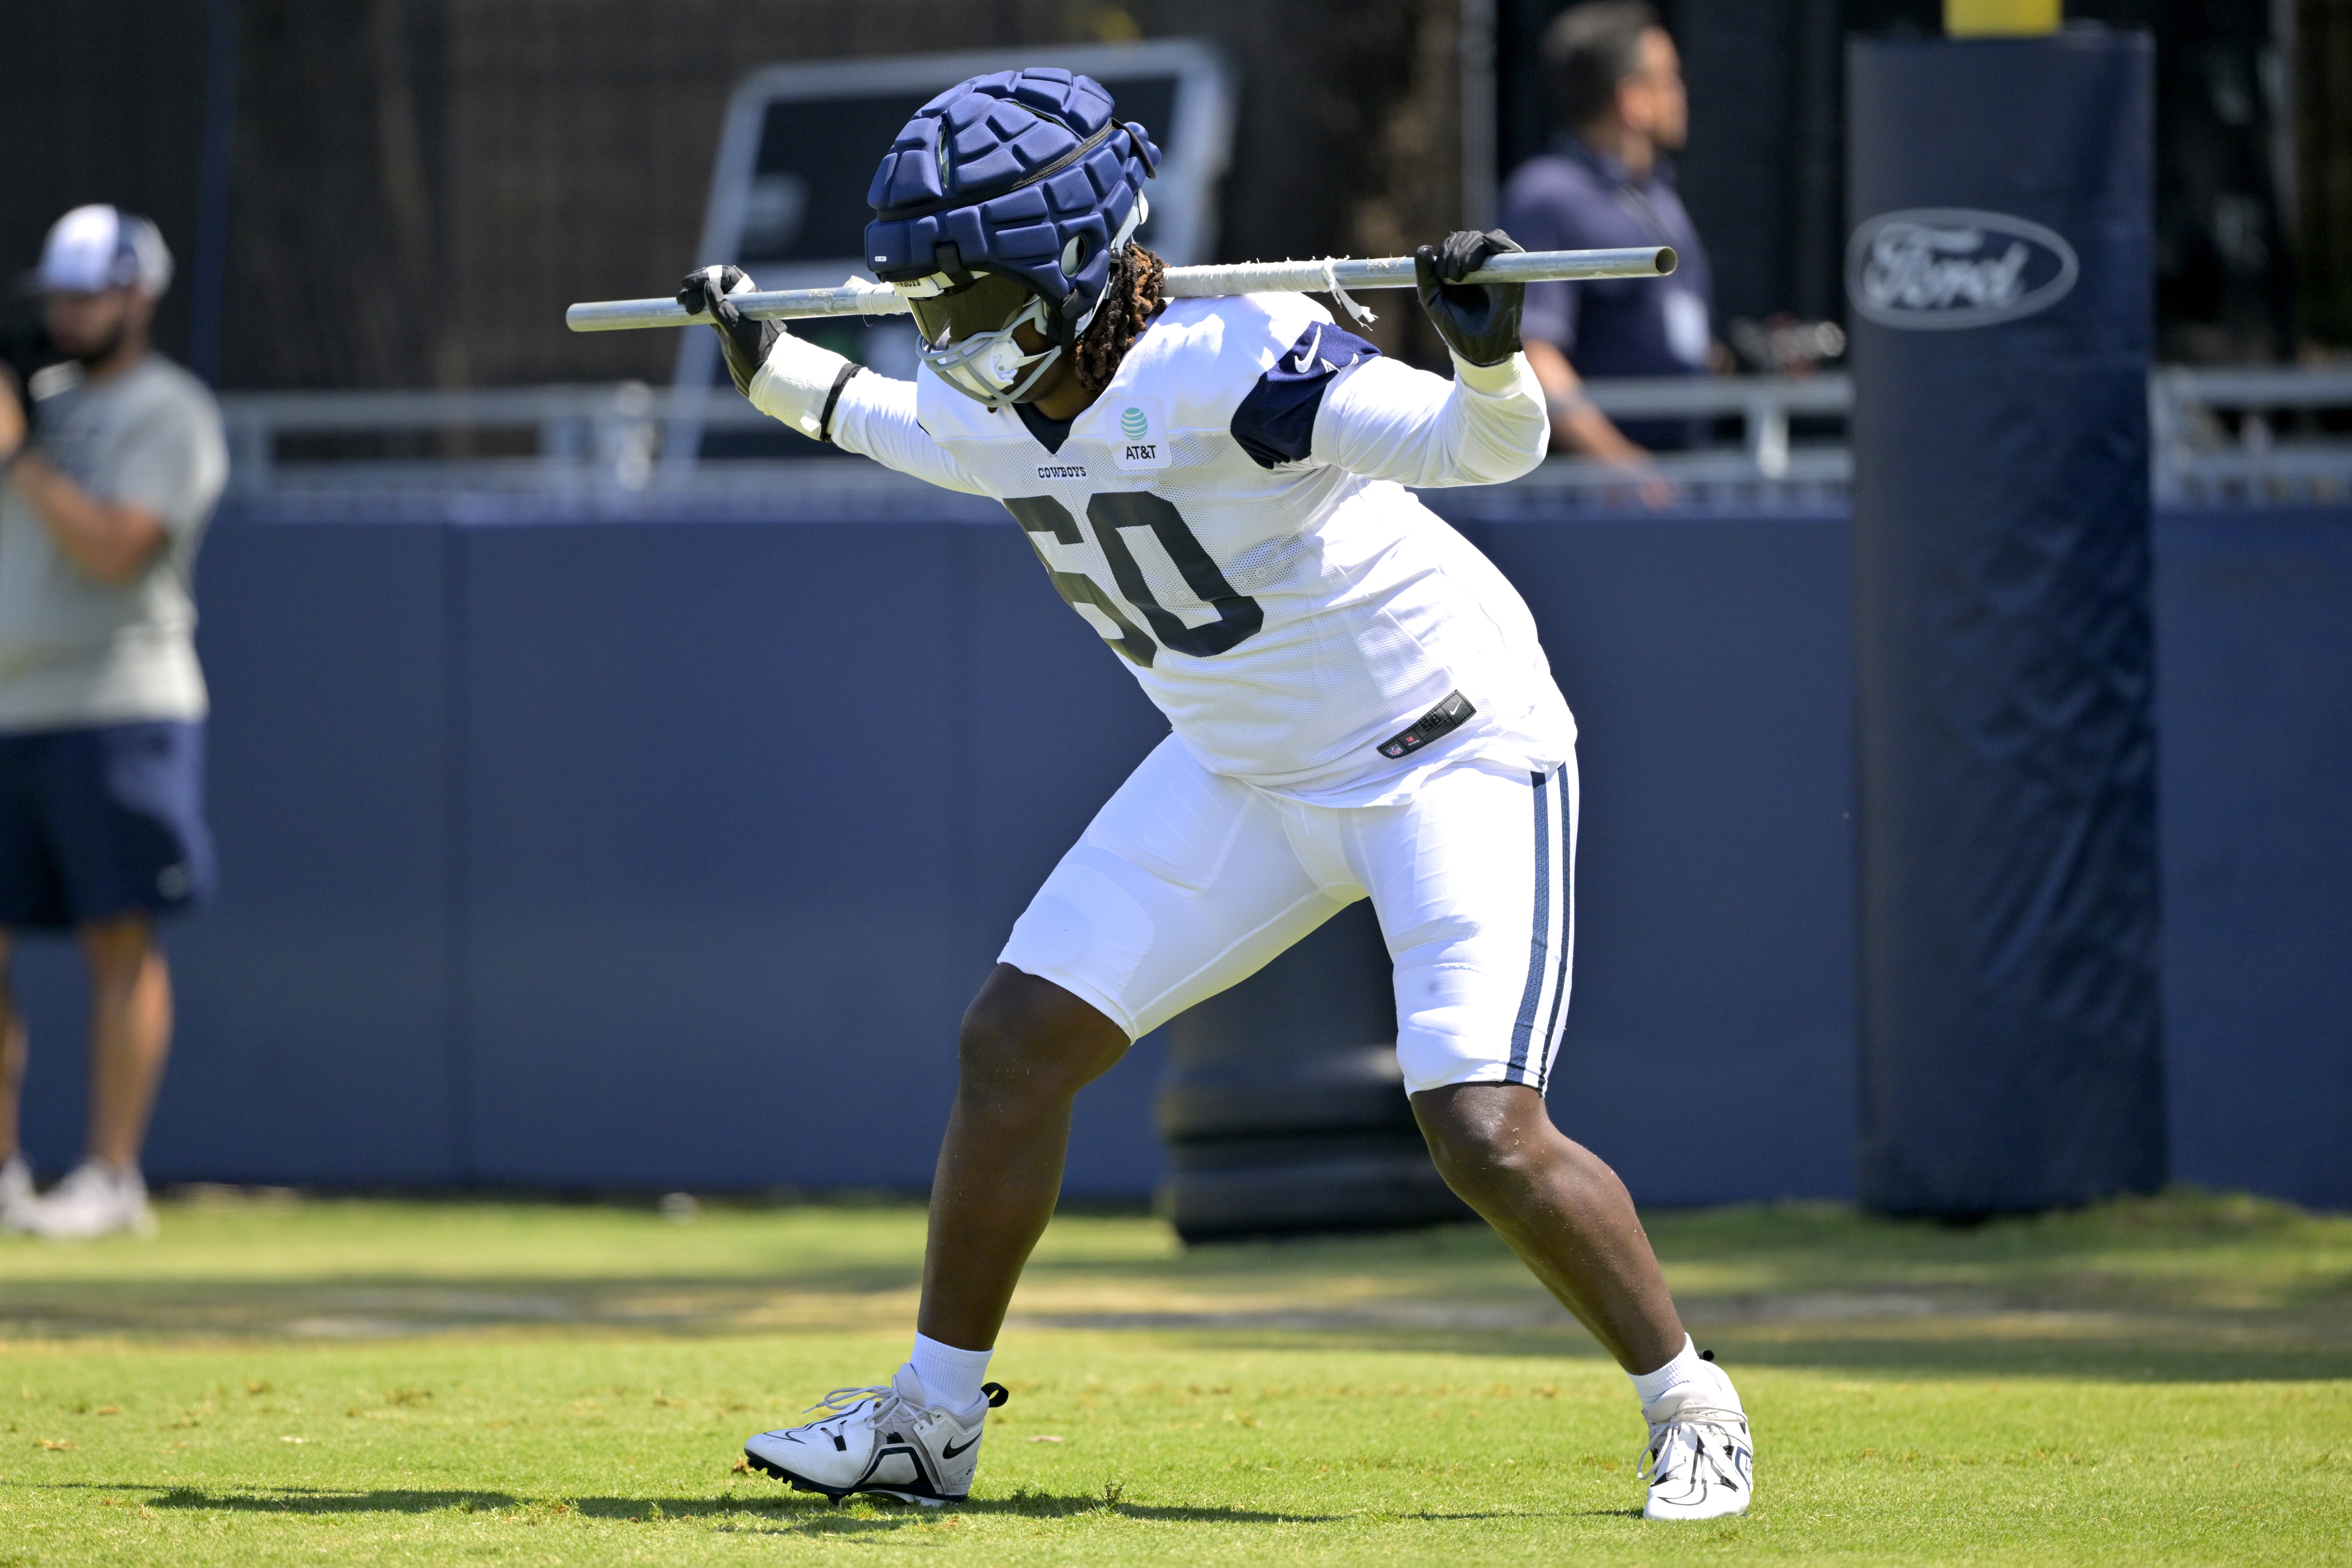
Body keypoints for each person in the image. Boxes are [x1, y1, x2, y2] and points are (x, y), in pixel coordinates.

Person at [682, 68, 1751, 1521]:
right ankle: (930, 1421)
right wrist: (774, 365)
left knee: (1481, 1128)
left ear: (1072, 275)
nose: (944, 339)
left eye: (969, 302)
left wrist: (1486, 357)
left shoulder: (1233, 362)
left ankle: (1689, 1397)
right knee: (1013, 1041)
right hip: (1242, 767)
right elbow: (912, 429)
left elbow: (1487, 450)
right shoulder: (981, 389)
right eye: (926, 306)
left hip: (1445, 747)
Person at [0, 205, 227, 1239]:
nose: (69, 311)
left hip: (119, 704)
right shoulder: (33, 400)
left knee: (117, 938)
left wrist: (19, 459)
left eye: (89, 291)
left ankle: (111, 1176)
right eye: (59, 293)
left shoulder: (170, 410)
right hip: (11, 703)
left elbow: (113, 550)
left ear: (139, 296)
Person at [1500, 1, 1717, 487]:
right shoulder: (1546, 196)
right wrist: (1617, 461)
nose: (1682, 94)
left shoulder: (1659, 194)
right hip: (1594, 498)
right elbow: (1533, 351)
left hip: (1681, 475)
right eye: (1669, 80)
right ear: (1631, 100)